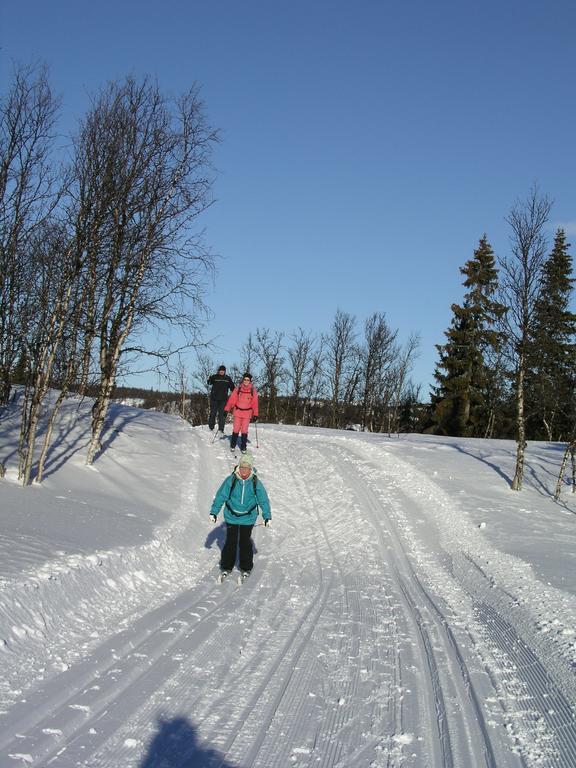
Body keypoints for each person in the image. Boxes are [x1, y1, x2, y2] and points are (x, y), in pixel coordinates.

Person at [209, 451, 271, 580]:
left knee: (244, 542)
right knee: (231, 542)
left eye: (246, 468)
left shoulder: (255, 482)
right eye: (242, 467)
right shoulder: (231, 480)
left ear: (250, 468)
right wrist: (214, 512)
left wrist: (267, 516)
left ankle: (246, 567)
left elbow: (263, 500)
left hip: (248, 518)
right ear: (239, 467)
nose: (244, 470)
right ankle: (226, 567)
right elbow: (221, 496)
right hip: (231, 516)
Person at [224, 372, 258, 453]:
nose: (246, 381)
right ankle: (233, 445)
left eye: (248, 380)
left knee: (244, 430)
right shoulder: (238, 389)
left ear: (250, 381)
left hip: (247, 413)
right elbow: (232, 400)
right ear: (243, 380)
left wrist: (255, 414)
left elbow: (255, 403)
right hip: (238, 412)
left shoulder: (253, 391)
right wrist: (226, 409)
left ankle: (243, 447)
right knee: (236, 429)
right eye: (245, 379)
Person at [207, 365, 234, 433]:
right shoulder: (215, 377)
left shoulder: (227, 378)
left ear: (225, 371)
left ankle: (221, 429)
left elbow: (232, 388)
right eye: (220, 370)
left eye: (223, 371)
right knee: (213, 413)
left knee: (222, 415)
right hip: (214, 398)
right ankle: (211, 427)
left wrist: (236, 392)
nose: (222, 372)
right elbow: (209, 383)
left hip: (223, 399)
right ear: (218, 371)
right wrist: (209, 379)